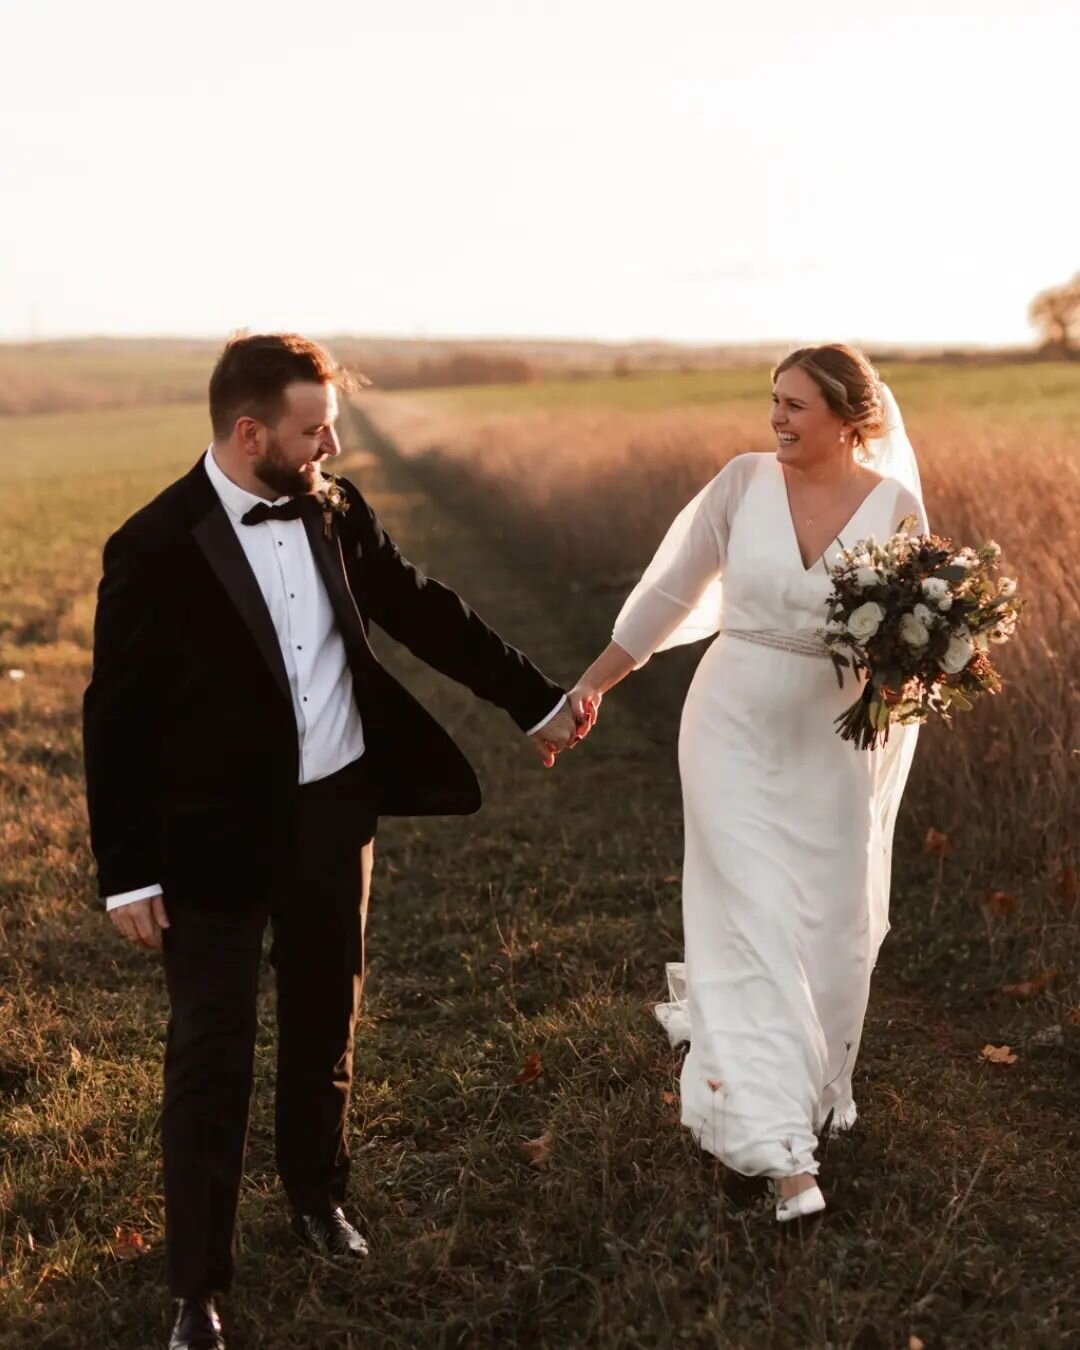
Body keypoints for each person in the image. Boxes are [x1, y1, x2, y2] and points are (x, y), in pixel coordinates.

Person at [83, 333, 583, 1350]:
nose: (334, 443)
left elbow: (419, 609)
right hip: (209, 843)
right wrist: (127, 871)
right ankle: (195, 1288)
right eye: (315, 429)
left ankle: (317, 1197)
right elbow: (116, 720)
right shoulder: (152, 548)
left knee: (326, 1024)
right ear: (248, 430)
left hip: (333, 812)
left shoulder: (336, 506)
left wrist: (533, 700)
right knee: (210, 1055)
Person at [567, 344, 927, 1223]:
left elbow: (911, 647)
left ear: (851, 418)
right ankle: (776, 1151)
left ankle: (808, 1082)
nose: (777, 418)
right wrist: (591, 685)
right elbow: (664, 599)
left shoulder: (897, 509)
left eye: (797, 405)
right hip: (727, 723)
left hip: (831, 738)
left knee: (829, 915)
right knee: (751, 913)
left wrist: (909, 674)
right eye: (774, 400)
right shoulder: (739, 485)